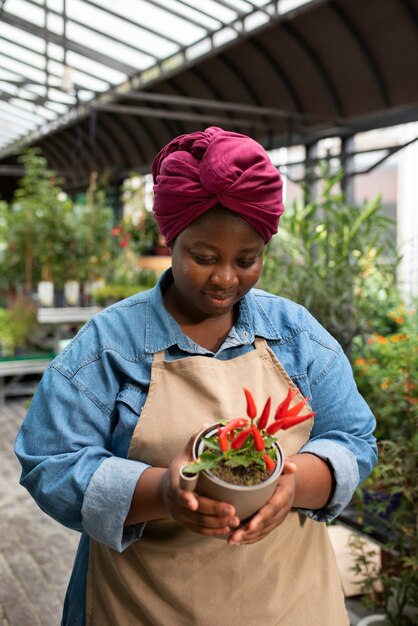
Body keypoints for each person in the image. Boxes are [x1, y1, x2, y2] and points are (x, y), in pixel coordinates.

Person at [15, 126, 377, 626]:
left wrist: (295, 488)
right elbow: (49, 460)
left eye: (247, 260)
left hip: (289, 603)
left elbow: (354, 437)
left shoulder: (296, 335)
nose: (226, 278)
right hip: (142, 606)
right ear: (171, 240)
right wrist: (164, 492)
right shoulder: (109, 345)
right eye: (204, 257)